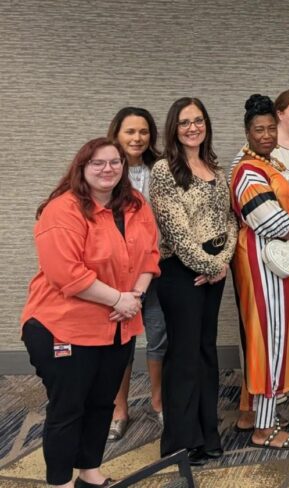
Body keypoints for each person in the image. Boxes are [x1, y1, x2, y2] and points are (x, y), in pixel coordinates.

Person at [22, 138, 158, 488]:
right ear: (82, 167)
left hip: (118, 326)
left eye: (115, 162)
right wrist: (118, 300)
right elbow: (65, 273)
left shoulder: (135, 203)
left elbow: (150, 255)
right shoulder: (62, 210)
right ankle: (60, 482)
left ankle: (90, 471)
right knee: (69, 407)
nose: (107, 169)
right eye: (98, 163)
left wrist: (135, 296)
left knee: (102, 403)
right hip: (63, 326)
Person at [230, 94, 289, 450]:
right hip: (261, 262)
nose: (266, 135)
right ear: (247, 132)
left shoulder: (270, 164)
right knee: (270, 339)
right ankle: (264, 428)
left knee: (266, 336)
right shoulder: (247, 170)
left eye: (271, 128)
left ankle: (250, 413)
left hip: (278, 261)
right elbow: (269, 221)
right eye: (259, 129)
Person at [150, 97, 237, 465]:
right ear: (174, 128)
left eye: (198, 120)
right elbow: (176, 230)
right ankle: (181, 443)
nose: (192, 128)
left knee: (205, 352)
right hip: (181, 272)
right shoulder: (164, 170)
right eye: (184, 122)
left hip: (214, 271)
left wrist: (222, 261)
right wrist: (208, 264)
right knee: (183, 356)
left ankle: (207, 434)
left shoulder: (215, 168)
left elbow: (230, 219)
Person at [106, 108, 166, 441]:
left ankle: (158, 402)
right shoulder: (106, 169)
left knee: (159, 335)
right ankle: (119, 408)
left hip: (157, 267)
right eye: (130, 131)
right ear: (117, 133)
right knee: (121, 340)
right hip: (118, 272)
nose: (137, 138)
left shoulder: (162, 169)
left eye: (143, 132)